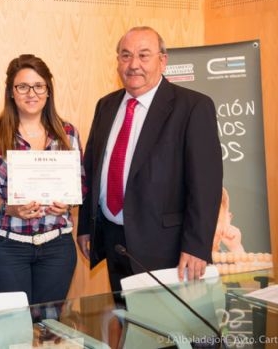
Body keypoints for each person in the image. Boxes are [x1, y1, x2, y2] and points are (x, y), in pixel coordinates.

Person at [77, 26, 223, 294]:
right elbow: (93, 169)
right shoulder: (106, 105)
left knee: (169, 330)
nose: (134, 65)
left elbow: (206, 186)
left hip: (167, 248)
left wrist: (196, 246)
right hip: (114, 241)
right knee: (127, 321)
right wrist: (87, 226)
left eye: (144, 55)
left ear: (162, 60)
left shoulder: (192, 107)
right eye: (125, 55)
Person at [0, 54, 85, 305]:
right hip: (7, 248)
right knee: (14, 329)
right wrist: (8, 208)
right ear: (11, 92)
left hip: (57, 247)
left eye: (38, 86)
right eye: (22, 86)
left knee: (49, 327)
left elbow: (80, 187)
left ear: (48, 90)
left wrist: (68, 203)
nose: (31, 93)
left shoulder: (67, 134)